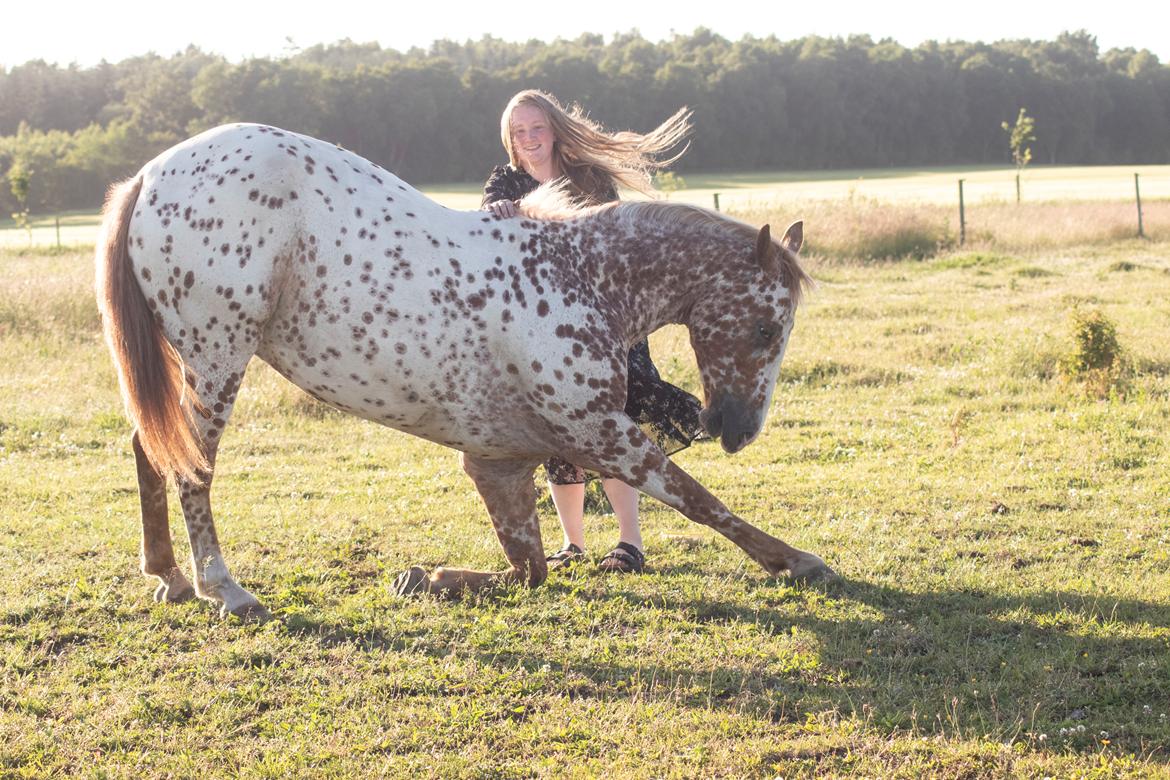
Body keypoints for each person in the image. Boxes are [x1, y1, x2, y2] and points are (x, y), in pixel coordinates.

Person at [481, 89, 705, 574]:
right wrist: (503, 213)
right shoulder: (504, 182)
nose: (528, 139)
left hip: (604, 322)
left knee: (611, 427)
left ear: (554, 129)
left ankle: (629, 544)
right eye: (518, 132)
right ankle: (573, 544)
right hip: (543, 328)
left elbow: (612, 240)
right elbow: (491, 236)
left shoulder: (589, 179)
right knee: (560, 435)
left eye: (536, 128)